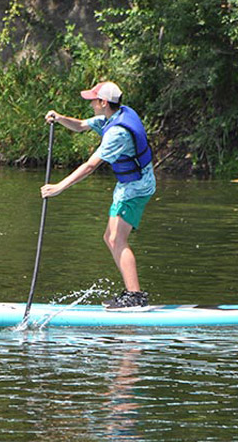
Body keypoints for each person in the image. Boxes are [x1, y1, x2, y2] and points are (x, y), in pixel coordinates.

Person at [41, 81, 156, 309]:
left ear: (104, 102)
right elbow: (82, 125)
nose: (91, 104)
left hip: (136, 188)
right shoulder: (114, 115)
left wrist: (59, 187)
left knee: (117, 239)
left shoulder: (117, 133)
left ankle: (135, 296)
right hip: (127, 185)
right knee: (109, 237)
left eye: (93, 100)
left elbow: (90, 166)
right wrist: (59, 118)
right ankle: (132, 294)